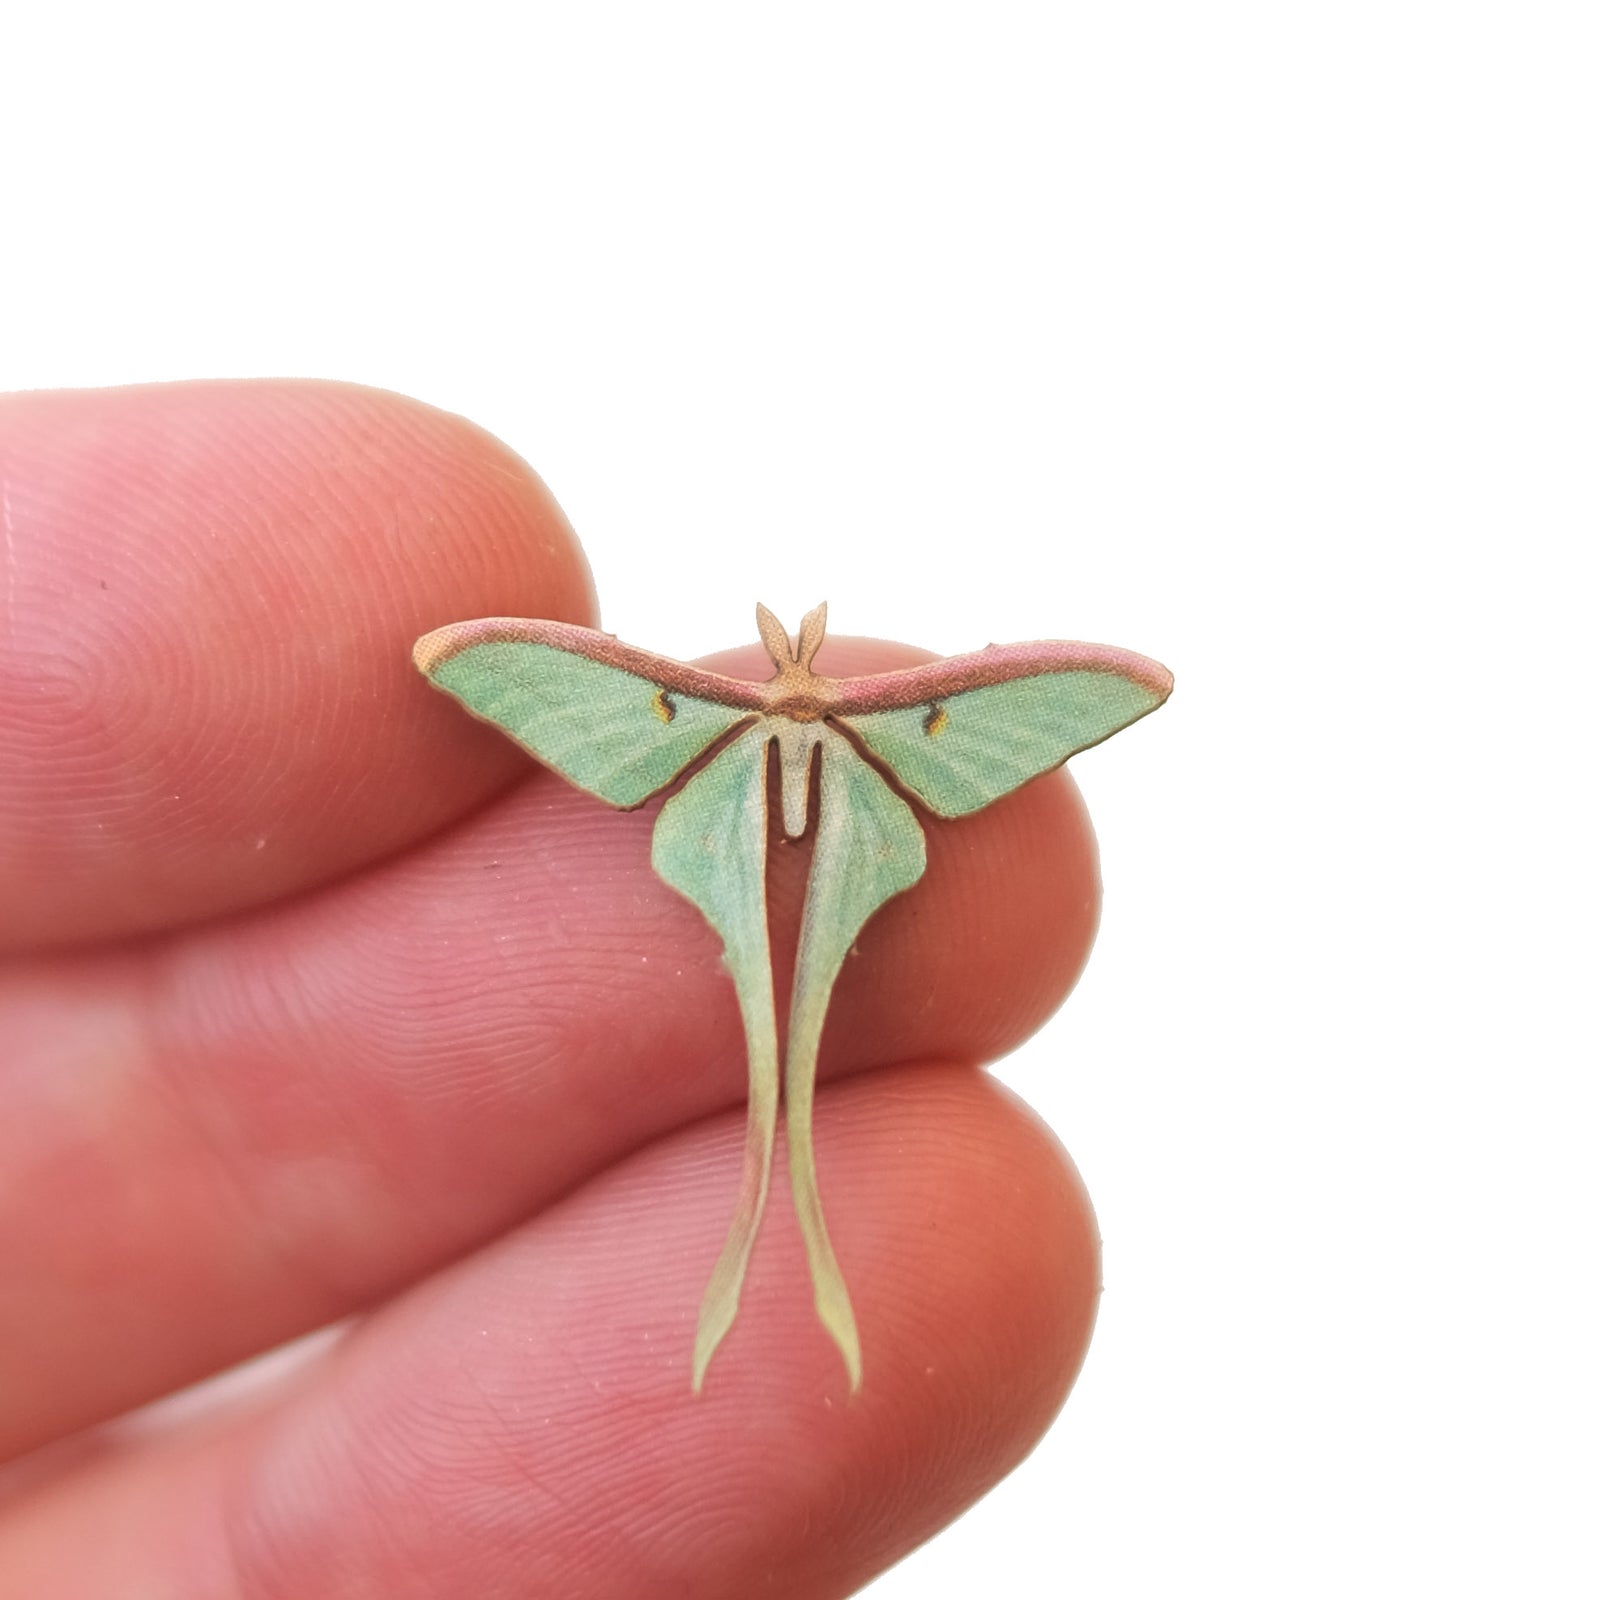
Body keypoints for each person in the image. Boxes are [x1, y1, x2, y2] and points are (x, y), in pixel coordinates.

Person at [0, 380, 1102, 1595]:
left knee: (786, 1047)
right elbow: (470, 660)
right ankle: (778, 1266)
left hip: (760, 784)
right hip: (777, 789)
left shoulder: (757, 713)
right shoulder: (800, 712)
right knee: (770, 1040)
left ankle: (778, 1270)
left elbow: (1114, 686)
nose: (793, 691)